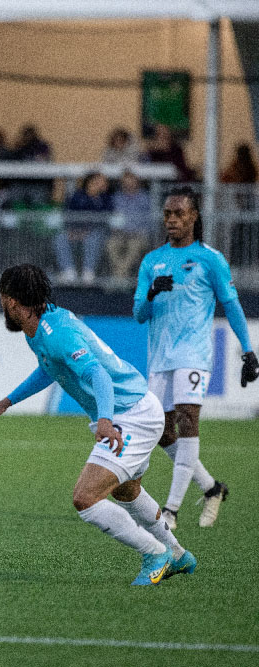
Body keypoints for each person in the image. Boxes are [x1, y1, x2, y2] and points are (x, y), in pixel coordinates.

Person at [0, 264, 194, 586]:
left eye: (2, 298)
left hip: (131, 415)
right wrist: (6, 403)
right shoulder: (43, 325)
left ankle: (155, 553)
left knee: (85, 498)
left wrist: (105, 420)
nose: (1, 304)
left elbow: (97, 375)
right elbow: (51, 369)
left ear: (14, 302)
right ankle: (178, 554)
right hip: (134, 408)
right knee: (126, 490)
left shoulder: (56, 332)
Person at [133, 186, 258, 530]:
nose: (171, 220)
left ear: (194, 216)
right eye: (167, 214)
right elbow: (139, 314)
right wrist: (151, 293)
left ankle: (171, 510)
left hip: (194, 353)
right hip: (160, 357)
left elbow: (231, 305)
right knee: (160, 429)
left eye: (178, 214)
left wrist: (248, 350)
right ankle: (211, 487)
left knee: (188, 418)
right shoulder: (151, 261)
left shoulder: (210, 259)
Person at [54, 171, 112, 284]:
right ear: (91, 182)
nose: (104, 183)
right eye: (100, 181)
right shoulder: (77, 196)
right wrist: (74, 230)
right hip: (76, 231)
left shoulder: (105, 198)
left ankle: (88, 272)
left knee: (93, 238)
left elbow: (105, 218)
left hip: (97, 232)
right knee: (60, 237)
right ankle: (68, 271)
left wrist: (87, 230)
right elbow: (69, 215)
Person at [105, 170, 154, 279]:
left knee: (134, 246)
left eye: (131, 181)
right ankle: (122, 277)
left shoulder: (145, 198)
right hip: (120, 233)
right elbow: (113, 217)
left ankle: (118, 277)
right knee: (111, 244)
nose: (128, 184)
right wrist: (115, 229)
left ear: (137, 182)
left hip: (139, 234)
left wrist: (142, 232)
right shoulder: (116, 198)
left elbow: (150, 220)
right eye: (125, 182)